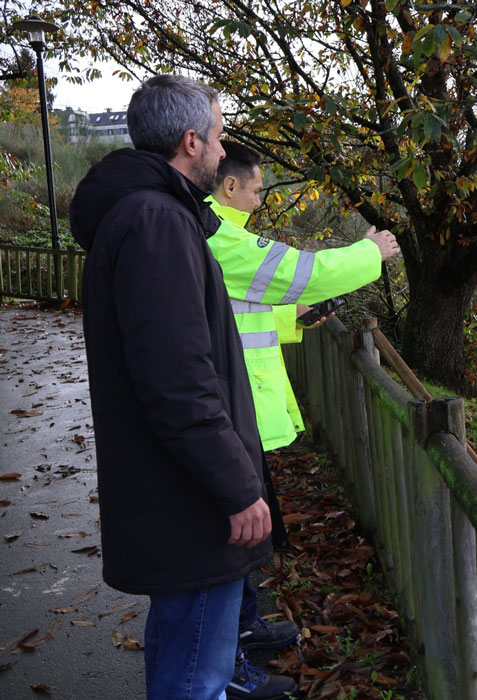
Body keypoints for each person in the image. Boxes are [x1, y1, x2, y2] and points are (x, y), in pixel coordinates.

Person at [70, 75, 276, 700]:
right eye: (216, 136)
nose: (222, 150)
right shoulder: (157, 221)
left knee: (180, 649)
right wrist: (239, 488)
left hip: (171, 485)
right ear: (191, 141)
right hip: (187, 494)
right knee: (196, 679)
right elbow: (178, 379)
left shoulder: (148, 214)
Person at [205, 141, 401, 698]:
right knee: (234, 539)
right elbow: (301, 271)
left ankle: (243, 630)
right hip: (235, 407)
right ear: (230, 186)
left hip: (240, 404)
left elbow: (246, 308)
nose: (262, 198)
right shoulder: (221, 235)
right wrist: (369, 252)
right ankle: (230, 661)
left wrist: (296, 317)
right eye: (258, 188)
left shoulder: (215, 232)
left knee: (243, 538)